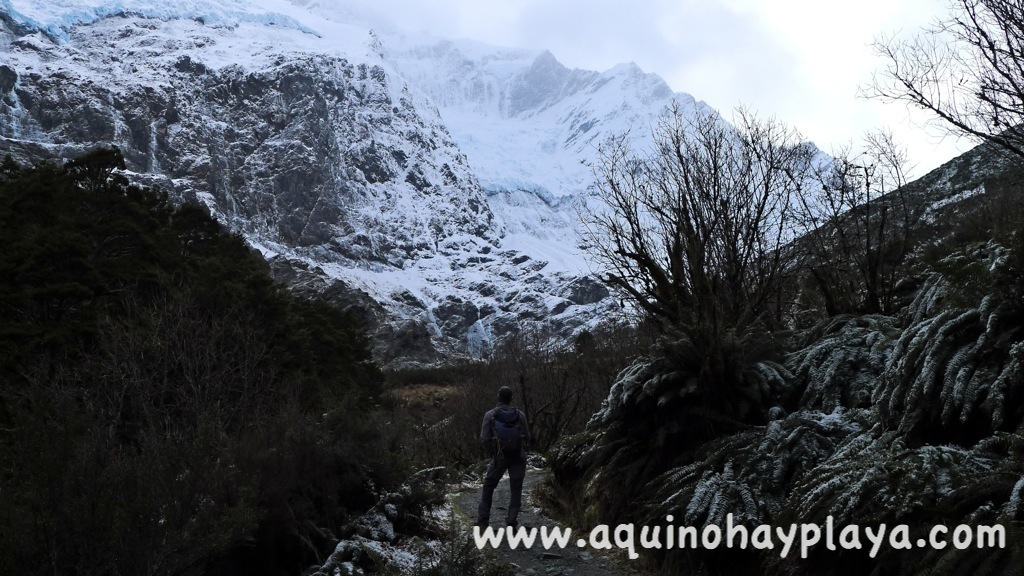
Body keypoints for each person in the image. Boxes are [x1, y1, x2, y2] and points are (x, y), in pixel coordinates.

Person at [476, 386, 530, 529]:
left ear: (498, 397)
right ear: (511, 398)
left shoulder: (490, 415)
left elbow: (484, 438)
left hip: (499, 456)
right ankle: (511, 521)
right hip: (518, 457)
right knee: (516, 488)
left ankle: (483, 520)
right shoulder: (520, 415)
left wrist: (494, 452)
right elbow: (527, 437)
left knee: (488, 485)